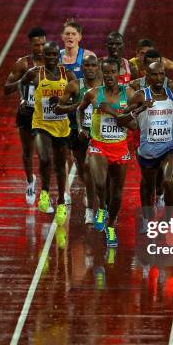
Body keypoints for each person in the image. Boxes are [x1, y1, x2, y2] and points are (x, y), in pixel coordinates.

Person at [77, 58, 135, 246]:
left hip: (119, 147)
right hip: (98, 145)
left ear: (119, 73)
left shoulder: (129, 95)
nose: (109, 76)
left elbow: (134, 124)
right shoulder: (93, 94)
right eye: (106, 72)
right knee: (100, 182)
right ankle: (101, 208)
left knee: (117, 193)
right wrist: (82, 128)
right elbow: (80, 109)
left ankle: (111, 227)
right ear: (102, 74)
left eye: (112, 72)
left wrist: (113, 112)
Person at [120, 62, 173, 230]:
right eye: (154, 75)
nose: (159, 78)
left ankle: (168, 219)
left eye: (162, 74)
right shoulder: (141, 96)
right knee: (148, 185)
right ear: (147, 77)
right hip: (148, 148)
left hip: (168, 145)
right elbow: (122, 118)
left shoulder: (172, 94)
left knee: (168, 180)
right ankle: (147, 218)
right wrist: (140, 109)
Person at [21, 42, 76, 224]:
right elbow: (19, 84)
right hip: (41, 124)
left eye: (54, 55)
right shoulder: (35, 73)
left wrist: (62, 102)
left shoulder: (67, 75)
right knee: (44, 158)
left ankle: (60, 201)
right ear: (43, 56)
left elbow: (78, 98)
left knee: (61, 167)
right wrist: (23, 99)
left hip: (61, 126)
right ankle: (44, 193)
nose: (51, 58)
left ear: (58, 56)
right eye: (48, 55)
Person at [54, 55, 102, 224]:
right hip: (78, 134)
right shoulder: (74, 86)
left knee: (92, 170)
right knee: (83, 171)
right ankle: (93, 196)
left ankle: (91, 208)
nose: (90, 68)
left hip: (99, 135)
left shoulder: (104, 86)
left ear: (98, 68)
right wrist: (75, 107)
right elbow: (58, 107)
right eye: (86, 65)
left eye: (93, 65)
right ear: (82, 68)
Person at [3, 26, 46, 205]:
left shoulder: (53, 63)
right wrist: (23, 79)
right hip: (26, 113)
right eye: (37, 45)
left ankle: (45, 190)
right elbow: (6, 89)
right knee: (28, 152)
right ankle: (30, 181)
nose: (41, 48)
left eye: (43, 44)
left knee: (45, 154)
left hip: (46, 115)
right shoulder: (23, 64)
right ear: (31, 45)